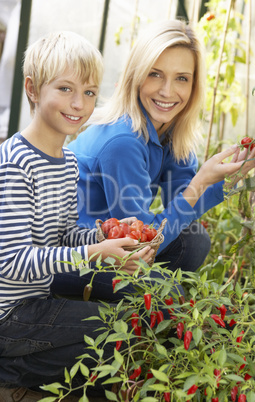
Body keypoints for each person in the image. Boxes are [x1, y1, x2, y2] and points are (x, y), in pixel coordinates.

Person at [0, 31, 156, 401]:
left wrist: (106, 236)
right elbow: (10, 262)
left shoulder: (67, 162)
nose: (79, 103)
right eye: (65, 89)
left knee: (133, 325)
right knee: (116, 338)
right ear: (33, 89)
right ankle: (9, 372)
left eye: (89, 92)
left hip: (37, 300)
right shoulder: (15, 164)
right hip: (9, 316)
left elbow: (65, 234)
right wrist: (94, 254)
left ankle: (27, 368)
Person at [68, 19, 255, 277]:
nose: (167, 91)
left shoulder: (170, 130)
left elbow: (183, 201)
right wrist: (202, 181)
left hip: (117, 247)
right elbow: (142, 239)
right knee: (168, 287)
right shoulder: (122, 141)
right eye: (155, 74)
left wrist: (245, 163)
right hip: (73, 256)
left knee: (193, 241)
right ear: (135, 75)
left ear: (194, 85)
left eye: (181, 78)